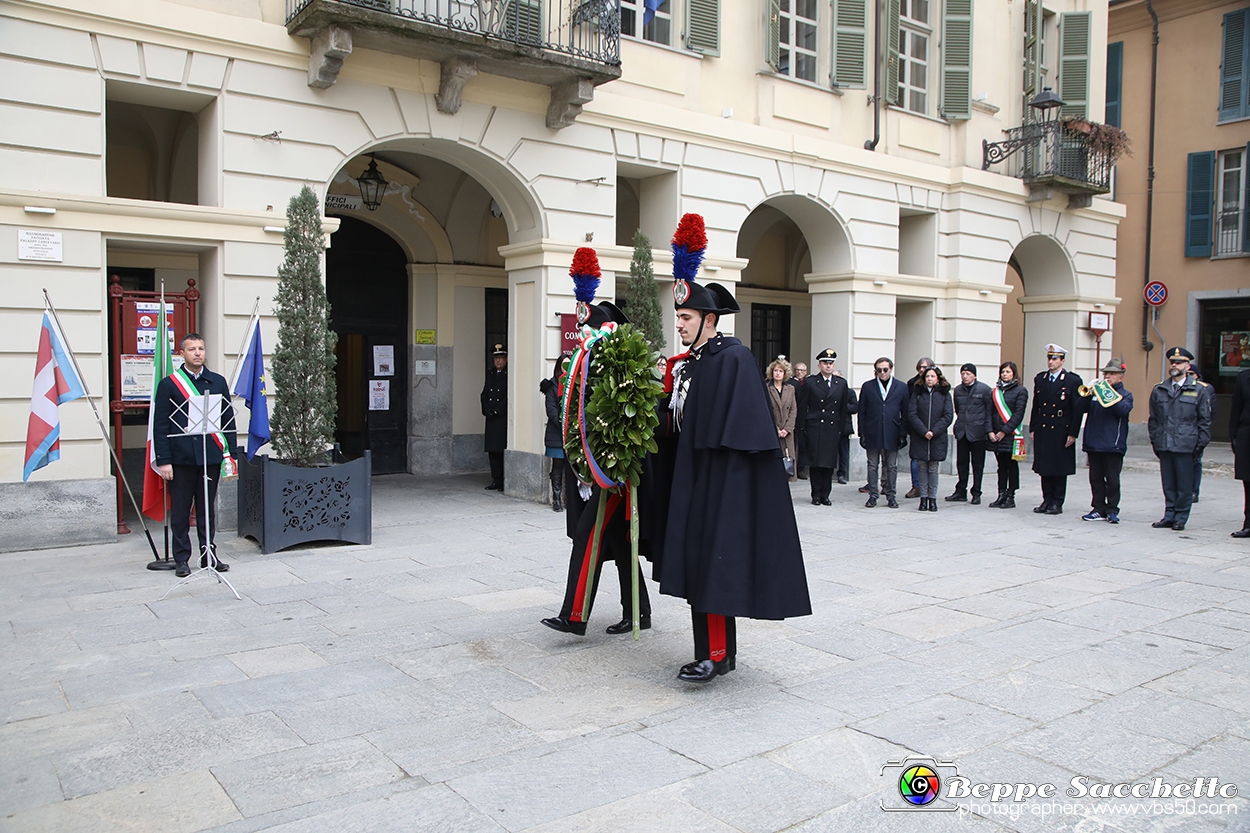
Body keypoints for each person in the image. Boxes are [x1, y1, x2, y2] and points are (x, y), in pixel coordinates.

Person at [651, 218, 810, 683]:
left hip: (721, 483)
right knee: (700, 565)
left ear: (709, 320)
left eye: (685, 318)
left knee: (713, 566)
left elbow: (741, 432)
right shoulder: (691, 364)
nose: (678, 325)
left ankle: (716, 654)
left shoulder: (732, 358)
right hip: (693, 478)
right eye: (677, 317)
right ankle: (715, 651)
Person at [542, 302, 652, 637]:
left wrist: (606, 465)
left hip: (615, 476)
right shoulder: (588, 364)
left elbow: (628, 420)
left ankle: (574, 616)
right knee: (619, 545)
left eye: (591, 331)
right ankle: (639, 612)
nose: (586, 337)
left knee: (587, 537)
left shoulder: (620, 367)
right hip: (596, 471)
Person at [153, 333, 239, 578]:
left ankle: (208, 555)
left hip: (210, 457)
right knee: (180, 512)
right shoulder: (169, 384)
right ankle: (182, 559)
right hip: (180, 460)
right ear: (182, 353)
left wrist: (229, 455)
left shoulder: (218, 381)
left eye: (201, 348)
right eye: (192, 349)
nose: (198, 353)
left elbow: (227, 421)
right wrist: (164, 460)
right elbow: (160, 426)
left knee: (206, 510)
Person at [1148, 347, 1212, 532]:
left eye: (1179, 362)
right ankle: (1169, 515)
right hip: (1165, 442)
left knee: (1184, 485)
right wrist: (1155, 440)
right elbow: (1154, 419)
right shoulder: (1160, 389)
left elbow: (1204, 421)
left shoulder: (1199, 390)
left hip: (1186, 444)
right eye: (1172, 362)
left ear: (1187, 365)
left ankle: (1181, 517)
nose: (1174, 365)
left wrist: (1199, 445)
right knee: (1168, 483)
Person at [797, 349, 858, 506]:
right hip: (815, 426)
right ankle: (816, 494)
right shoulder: (810, 382)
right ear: (819, 365)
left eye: (831, 363)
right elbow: (803, 407)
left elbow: (843, 409)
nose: (828, 366)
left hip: (832, 427)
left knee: (829, 463)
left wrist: (841, 429)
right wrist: (802, 428)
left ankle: (826, 494)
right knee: (816, 463)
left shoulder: (841, 383)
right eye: (825, 363)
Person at [1030, 344, 1083, 515]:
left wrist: (1073, 432)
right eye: (1049, 358)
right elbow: (1036, 405)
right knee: (1044, 466)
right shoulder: (1040, 379)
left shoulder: (1072, 380)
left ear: (1062, 361)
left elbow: (1077, 409)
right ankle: (1047, 499)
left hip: (1061, 427)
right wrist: (1033, 427)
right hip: (1044, 427)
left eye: (1055, 359)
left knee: (1058, 467)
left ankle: (1057, 502)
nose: (1051, 362)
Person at [1079, 358, 1134, 523]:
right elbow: (1080, 408)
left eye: (1112, 374)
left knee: (1112, 479)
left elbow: (1121, 410)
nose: (1108, 376)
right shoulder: (1096, 392)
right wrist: (1088, 393)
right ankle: (1098, 508)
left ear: (1120, 377)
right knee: (1095, 478)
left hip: (1113, 444)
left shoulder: (1125, 395)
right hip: (1094, 442)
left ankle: (1112, 509)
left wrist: (1104, 392)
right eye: (1106, 373)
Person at [857, 357, 908, 508]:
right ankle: (873, 494)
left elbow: (905, 413)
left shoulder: (901, 387)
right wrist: (862, 433)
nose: (882, 372)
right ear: (876, 371)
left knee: (891, 465)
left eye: (885, 369)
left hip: (892, 431)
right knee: (872, 465)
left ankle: (891, 495)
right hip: (873, 431)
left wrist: (903, 434)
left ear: (891, 369)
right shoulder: (868, 386)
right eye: (879, 370)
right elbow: (862, 412)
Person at [907, 366, 952, 512]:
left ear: (938, 378)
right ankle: (923, 499)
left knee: (933, 468)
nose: (930, 379)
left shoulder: (945, 394)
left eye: (933, 376)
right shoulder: (917, 393)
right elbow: (912, 414)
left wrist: (934, 431)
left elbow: (948, 416)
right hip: (920, 437)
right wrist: (923, 431)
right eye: (927, 376)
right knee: (921, 467)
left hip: (937, 437)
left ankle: (932, 498)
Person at [948, 363, 993, 504]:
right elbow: (957, 408)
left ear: (974, 375)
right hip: (962, 431)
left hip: (978, 432)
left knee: (977, 464)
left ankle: (977, 492)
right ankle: (961, 490)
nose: (965, 376)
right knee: (962, 463)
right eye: (963, 373)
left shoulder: (984, 389)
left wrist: (987, 429)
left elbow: (989, 411)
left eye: (968, 374)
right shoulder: (959, 390)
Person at [988, 361, 1028, 509]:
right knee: (1001, 466)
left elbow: (1018, 414)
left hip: (1011, 434)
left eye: (1008, 372)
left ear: (1014, 374)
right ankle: (1001, 494)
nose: (1005, 374)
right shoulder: (996, 391)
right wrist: (990, 431)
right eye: (1003, 372)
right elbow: (990, 412)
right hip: (996, 435)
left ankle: (1011, 496)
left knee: (1011, 465)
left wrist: (1004, 431)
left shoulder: (1020, 391)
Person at [903, 357, 934, 499]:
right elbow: (909, 407)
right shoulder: (912, 384)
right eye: (921, 367)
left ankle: (929, 487)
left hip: (933, 428)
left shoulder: (938, 385)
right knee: (916, 458)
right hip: (916, 426)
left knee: (931, 460)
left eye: (926, 367)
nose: (923, 370)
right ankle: (916, 486)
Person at [539, 357, 567, 512]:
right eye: (564, 365)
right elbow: (551, 410)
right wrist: (563, 424)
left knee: (571, 466)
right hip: (556, 433)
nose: (566, 367)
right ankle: (556, 499)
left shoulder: (574, 383)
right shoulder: (551, 386)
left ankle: (569, 498)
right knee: (557, 465)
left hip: (571, 433)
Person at [766, 356, 798, 482]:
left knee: (787, 462)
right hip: (773, 431)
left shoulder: (790, 389)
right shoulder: (767, 388)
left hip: (787, 432)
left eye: (780, 371)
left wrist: (787, 429)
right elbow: (766, 411)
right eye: (775, 371)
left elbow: (793, 410)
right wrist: (776, 429)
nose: (777, 373)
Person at [480, 344, 507, 491]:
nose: (498, 361)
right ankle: (495, 479)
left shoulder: (507, 374)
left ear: (506, 359)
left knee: (500, 449)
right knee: (492, 451)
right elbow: (484, 394)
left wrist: (497, 411)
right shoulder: (490, 373)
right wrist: (486, 410)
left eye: (501, 358)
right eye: (496, 358)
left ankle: (503, 480)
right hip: (491, 417)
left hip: (500, 418)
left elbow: (507, 396)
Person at [1189, 366, 1215, 503]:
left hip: (1197, 430)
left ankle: (1194, 491)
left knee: (1196, 461)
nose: (1189, 375)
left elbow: (1211, 412)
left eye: (1191, 373)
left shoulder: (1205, 388)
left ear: (1198, 375)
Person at [1230, 366, 1250, 538]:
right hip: (1247, 433)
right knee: (1248, 481)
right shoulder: (1244, 377)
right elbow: (1236, 407)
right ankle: (1248, 523)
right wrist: (1234, 435)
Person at [788, 362, 809, 479]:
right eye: (797, 370)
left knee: (802, 445)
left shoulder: (809, 383)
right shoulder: (791, 383)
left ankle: (801, 468)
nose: (799, 372)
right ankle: (791, 469)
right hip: (793, 416)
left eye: (802, 370)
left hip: (804, 418)